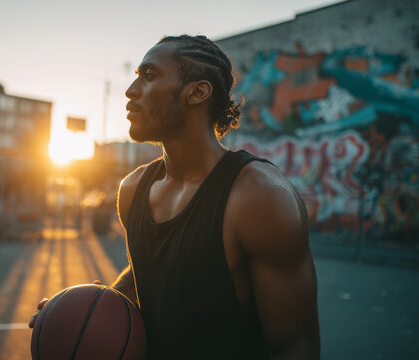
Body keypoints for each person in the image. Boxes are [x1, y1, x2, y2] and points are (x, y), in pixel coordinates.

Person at [30, 35, 320, 359]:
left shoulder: (258, 198)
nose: (130, 90)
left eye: (149, 75)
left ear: (197, 92)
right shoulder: (132, 190)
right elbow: (153, 273)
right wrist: (79, 313)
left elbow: (296, 346)